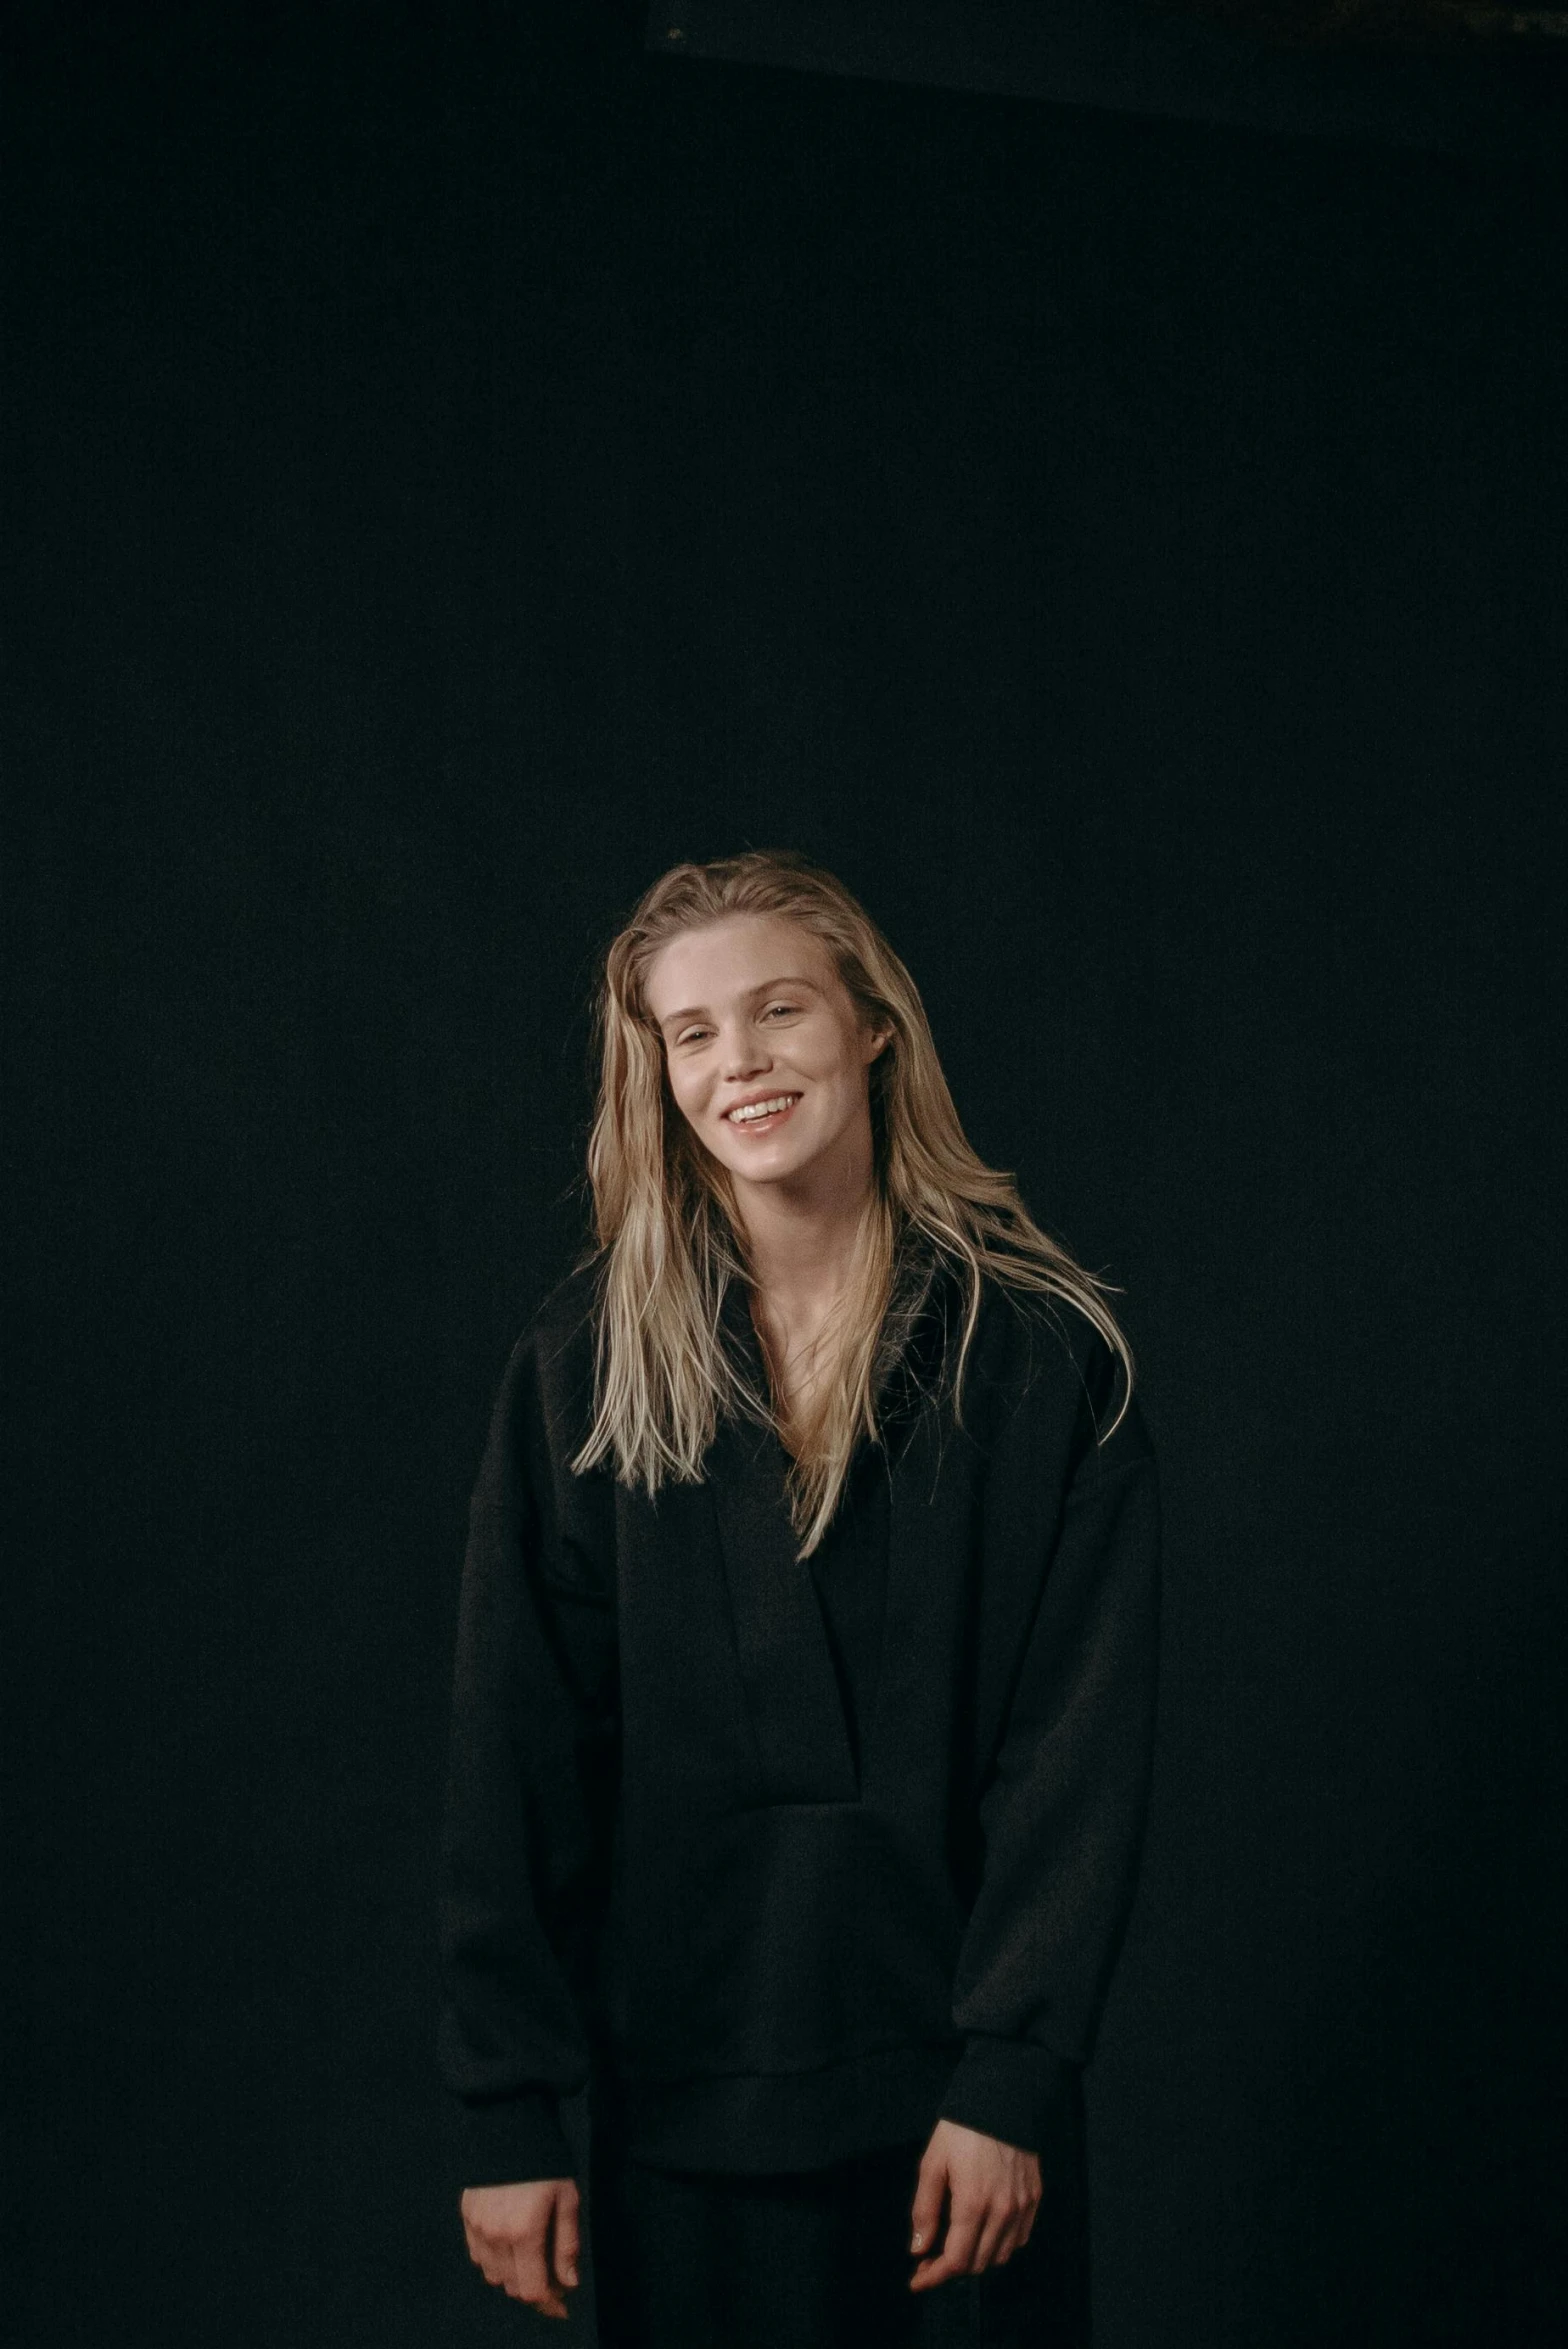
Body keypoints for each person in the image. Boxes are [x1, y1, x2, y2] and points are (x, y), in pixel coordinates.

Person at [436, 848, 1162, 2346]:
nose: (740, 1064)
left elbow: (1075, 1753)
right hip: (684, 2108)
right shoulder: (586, 1371)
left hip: (962, 2123)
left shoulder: (1038, 1359)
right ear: (655, 1073)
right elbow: (515, 1751)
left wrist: (1013, 2076)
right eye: (692, 1033)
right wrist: (509, 2103)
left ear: (872, 1025)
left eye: (778, 1012)